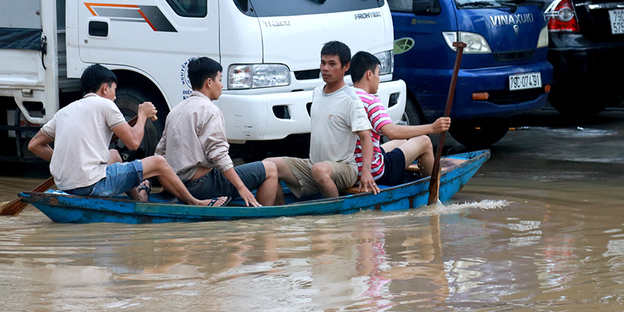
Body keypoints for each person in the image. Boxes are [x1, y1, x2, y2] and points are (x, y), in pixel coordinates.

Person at [28, 64, 228, 207]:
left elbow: (34, 145)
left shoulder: (65, 111)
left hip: (66, 185)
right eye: (114, 90)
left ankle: (140, 197)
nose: (115, 96)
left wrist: (68, 161)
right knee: (158, 162)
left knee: (114, 154)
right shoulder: (105, 104)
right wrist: (142, 115)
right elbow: (133, 143)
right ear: (105, 88)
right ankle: (195, 202)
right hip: (91, 186)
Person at [155, 57, 279, 206]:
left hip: (177, 186)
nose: (221, 86)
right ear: (209, 82)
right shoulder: (211, 111)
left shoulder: (175, 111)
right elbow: (218, 155)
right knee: (271, 169)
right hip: (203, 186)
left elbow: (160, 153)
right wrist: (241, 187)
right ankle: (262, 219)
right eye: (219, 79)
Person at [265, 41, 378, 203]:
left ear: (346, 66)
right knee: (268, 165)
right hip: (314, 164)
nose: (325, 68)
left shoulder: (351, 100)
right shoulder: (317, 93)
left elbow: (366, 138)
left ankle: (336, 215)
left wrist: (366, 172)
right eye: (323, 62)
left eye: (332, 64)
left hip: (344, 167)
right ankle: (279, 215)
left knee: (320, 170)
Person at [349, 51, 451, 186]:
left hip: (349, 169)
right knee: (425, 141)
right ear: (369, 75)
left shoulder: (346, 96)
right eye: (378, 74)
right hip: (374, 172)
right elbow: (391, 132)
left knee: (401, 141)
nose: (378, 80)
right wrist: (432, 128)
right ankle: (435, 189)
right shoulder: (370, 101)